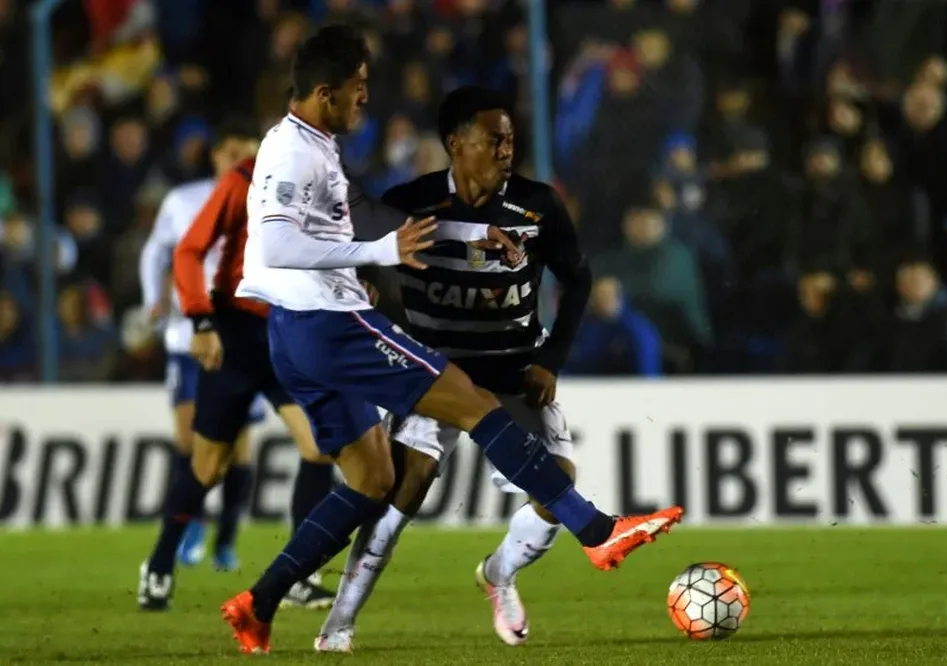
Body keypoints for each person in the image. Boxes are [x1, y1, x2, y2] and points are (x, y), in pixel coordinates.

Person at [219, 24, 684, 655]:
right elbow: (274, 244)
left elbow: (366, 215)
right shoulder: (295, 153)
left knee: (368, 480)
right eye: (357, 87)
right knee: (475, 405)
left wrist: (466, 238)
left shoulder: (315, 145)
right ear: (324, 91)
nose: (366, 98)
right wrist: (377, 253)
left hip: (295, 333)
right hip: (329, 324)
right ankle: (596, 529)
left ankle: (259, 602)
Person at [316, 85, 628, 652]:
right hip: (435, 372)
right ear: (457, 144)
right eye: (494, 138)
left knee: (557, 483)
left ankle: (499, 574)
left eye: (510, 138)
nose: (508, 148)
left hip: (513, 369)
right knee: (404, 489)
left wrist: (551, 359)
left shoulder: (538, 207)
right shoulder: (409, 203)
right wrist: (364, 284)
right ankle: (337, 624)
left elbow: (578, 280)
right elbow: (361, 258)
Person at [137, 140, 341, 613]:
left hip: (287, 333)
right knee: (207, 466)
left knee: (318, 446)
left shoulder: (323, 181)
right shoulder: (242, 181)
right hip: (237, 337)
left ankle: (296, 574)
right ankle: (160, 562)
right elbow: (188, 251)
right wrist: (201, 321)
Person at [138, 121, 263, 573]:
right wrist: (154, 298)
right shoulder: (183, 200)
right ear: (214, 155)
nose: (237, 160)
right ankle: (190, 528)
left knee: (240, 449)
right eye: (230, 151)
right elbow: (157, 252)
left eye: (245, 151)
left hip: (243, 334)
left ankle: (226, 541)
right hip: (187, 336)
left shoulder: (264, 194)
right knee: (191, 439)